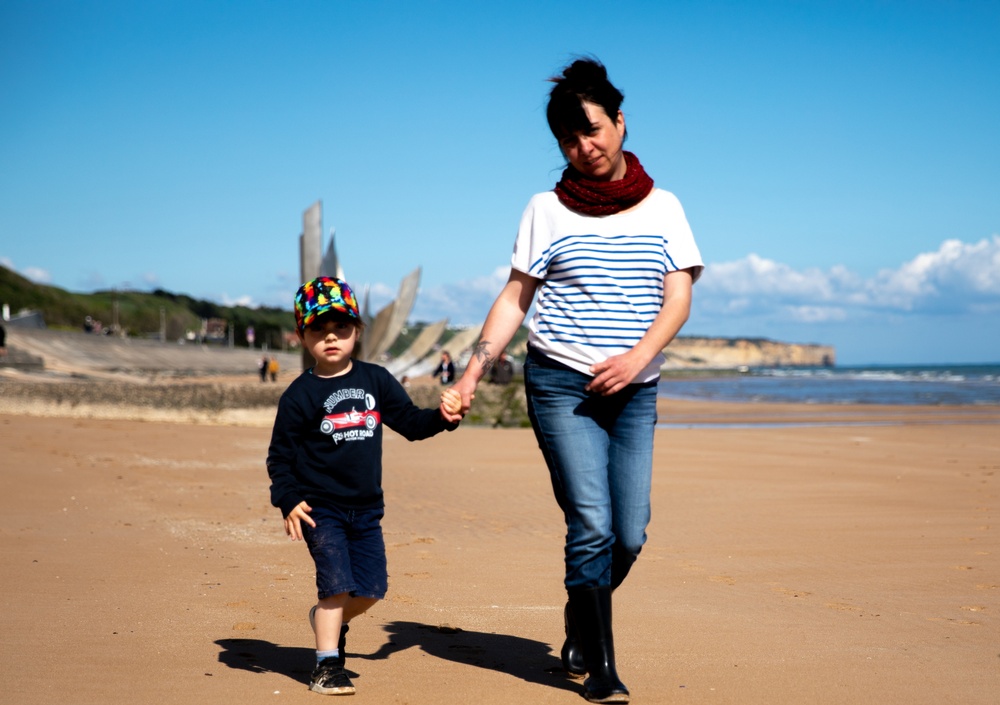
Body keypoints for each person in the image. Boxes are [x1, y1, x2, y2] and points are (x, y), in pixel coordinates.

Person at [450, 58, 703, 703]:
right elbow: (515, 298)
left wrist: (637, 360)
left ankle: (578, 615)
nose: (583, 148)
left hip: (635, 389)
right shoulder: (545, 209)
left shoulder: (665, 207)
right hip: (561, 385)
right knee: (590, 522)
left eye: (592, 130)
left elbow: (678, 298)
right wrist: (473, 372)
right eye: (568, 139)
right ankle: (602, 667)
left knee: (630, 532)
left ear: (620, 122)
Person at [266, 276, 461, 696]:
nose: (330, 336)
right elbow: (279, 458)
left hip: (367, 508)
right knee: (335, 584)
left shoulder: (376, 380)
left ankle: (325, 621)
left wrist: (443, 418)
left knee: (372, 589)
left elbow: (410, 423)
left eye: (341, 327)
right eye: (318, 329)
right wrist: (288, 499)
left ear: (358, 330)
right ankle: (326, 666)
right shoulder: (299, 395)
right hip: (320, 507)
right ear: (302, 335)